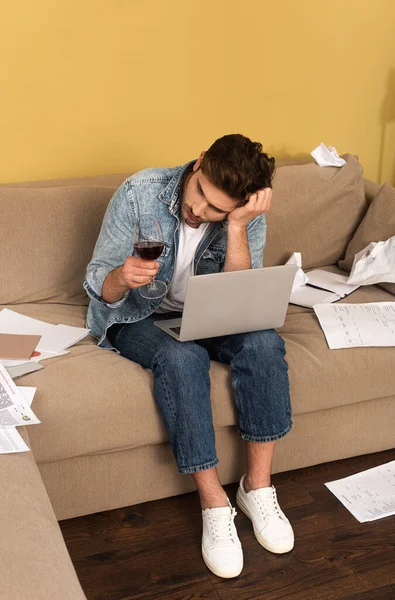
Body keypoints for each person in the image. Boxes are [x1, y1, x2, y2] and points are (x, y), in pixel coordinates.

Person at [83, 134, 294, 579]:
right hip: (136, 315)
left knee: (264, 343)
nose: (199, 211)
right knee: (182, 358)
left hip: (209, 315)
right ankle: (214, 503)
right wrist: (122, 276)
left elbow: (239, 299)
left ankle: (257, 487)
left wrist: (236, 227)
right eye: (199, 193)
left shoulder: (245, 217)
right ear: (198, 162)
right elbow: (98, 286)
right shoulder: (139, 192)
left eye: (217, 209)